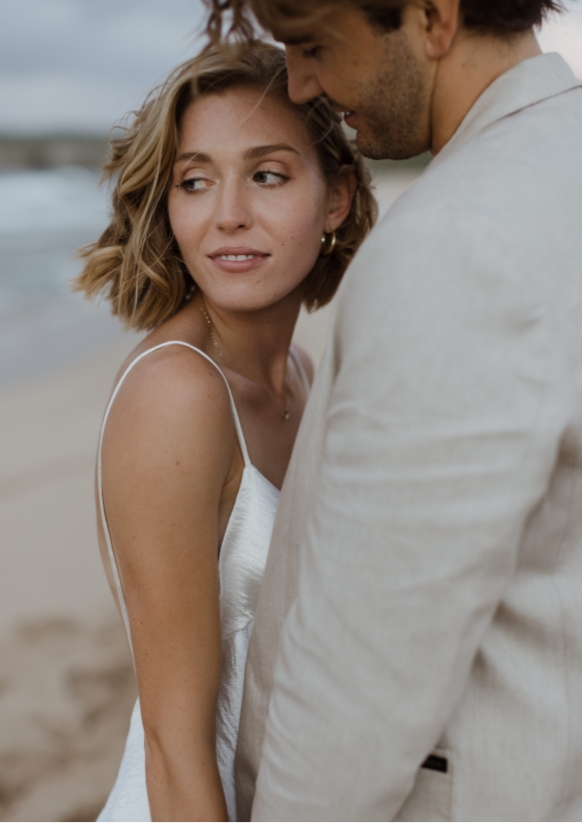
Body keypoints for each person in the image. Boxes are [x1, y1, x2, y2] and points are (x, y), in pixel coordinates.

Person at [205, 0, 582, 820]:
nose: (300, 82)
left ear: (433, 18)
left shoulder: (456, 245)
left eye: (313, 46)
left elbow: (362, 676)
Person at [73, 42, 375, 822]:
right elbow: (175, 750)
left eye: (267, 174)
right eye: (195, 181)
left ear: (335, 197)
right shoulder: (176, 394)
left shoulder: (301, 374)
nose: (228, 213)